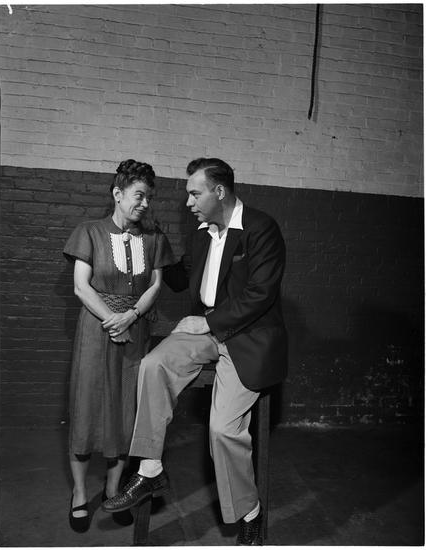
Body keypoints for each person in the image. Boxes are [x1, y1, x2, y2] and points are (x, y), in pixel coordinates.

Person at [101, 157, 287, 545]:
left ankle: (249, 511)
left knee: (223, 430)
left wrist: (209, 323)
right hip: (207, 331)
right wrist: (152, 238)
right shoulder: (202, 234)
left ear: (220, 192)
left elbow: (261, 294)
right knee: (153, 365)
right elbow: (181, 276)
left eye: (194, 193)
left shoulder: (261, 228)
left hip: (248, 337)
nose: (188, 202)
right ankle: (150, 470)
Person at [63, 159, 175, 533]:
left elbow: (156, 285)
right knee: (86, 408)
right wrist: (113, 319)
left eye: (149, 197)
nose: (145, 203)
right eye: (138, 195)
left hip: (135, 330)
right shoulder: (89, 232)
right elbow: (81, 286)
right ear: (118, 193)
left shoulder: (154, 239)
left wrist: (131, 316)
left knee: (128, 411)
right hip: (96, 330)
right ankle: (80, 494)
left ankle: (113, 490)